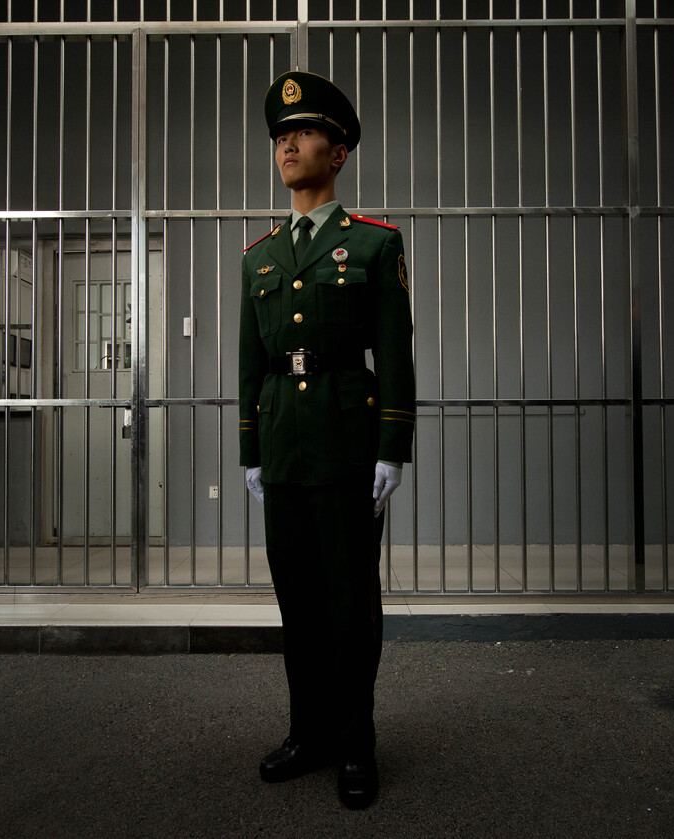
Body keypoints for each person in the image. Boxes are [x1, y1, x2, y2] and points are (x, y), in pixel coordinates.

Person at [238, 70, 416, 810]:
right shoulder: (260, 255)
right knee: (298, 602)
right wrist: (250, 449)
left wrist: (391, 447)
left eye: (303, 131)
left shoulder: (373, 246)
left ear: (338, 152)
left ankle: (355, 741)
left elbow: (396, 354)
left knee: (349, 602)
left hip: (347, 441)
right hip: (283, 444)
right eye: (280, 134)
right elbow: (250, 360)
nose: (287, 142)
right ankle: (308, 730)